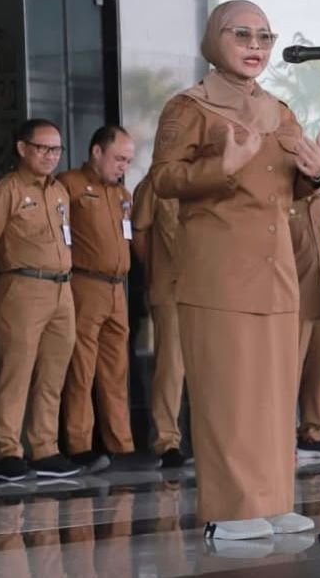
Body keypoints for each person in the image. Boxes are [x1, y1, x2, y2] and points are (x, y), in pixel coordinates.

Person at [149, 0, 320, 541]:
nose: (255, 46)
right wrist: (219, 166)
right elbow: (163, 179)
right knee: (229, 394)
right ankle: (230, 509)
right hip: (219, 271)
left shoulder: (280, 110)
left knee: (273, 394)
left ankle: (272, 501)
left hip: (276, 272)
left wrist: (316, 175)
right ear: (213, 40)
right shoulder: (190, 107)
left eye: (264, 37)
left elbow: (288, 186)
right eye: (241, 34)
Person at [0, 119, 83, 481]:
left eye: (56, 149)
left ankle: (45, 448)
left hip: (62, 289)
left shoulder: (59, 192)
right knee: (17, 370)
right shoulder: (5, 191)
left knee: (53, 373)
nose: (51, 156)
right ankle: (7, 450)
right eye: (43, 148)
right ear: (23, 148)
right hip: (22, 287)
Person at [57, 125, 138, 473]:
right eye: (119, 158)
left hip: (117, 287)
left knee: (116, 370)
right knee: (82, 367)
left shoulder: (122, 195)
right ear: (96, 151)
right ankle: (79, 444)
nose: (123, 166)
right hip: (85, 283)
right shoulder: (70, 185)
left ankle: (121, 444)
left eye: (128, 161)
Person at [131, 171, 190, 468]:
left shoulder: (210, 179)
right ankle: (167, 441)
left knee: (211, 368)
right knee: (171, 367)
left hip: (209, 291)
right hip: (170, 290)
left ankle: (209, 440)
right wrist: (155, 273)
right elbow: (138, 233)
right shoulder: (155, 183)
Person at [289, 190, 320, 458]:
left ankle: (313, 431)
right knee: (289, 372)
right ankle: (284, 433)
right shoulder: (285, 201)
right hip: (295, 302)